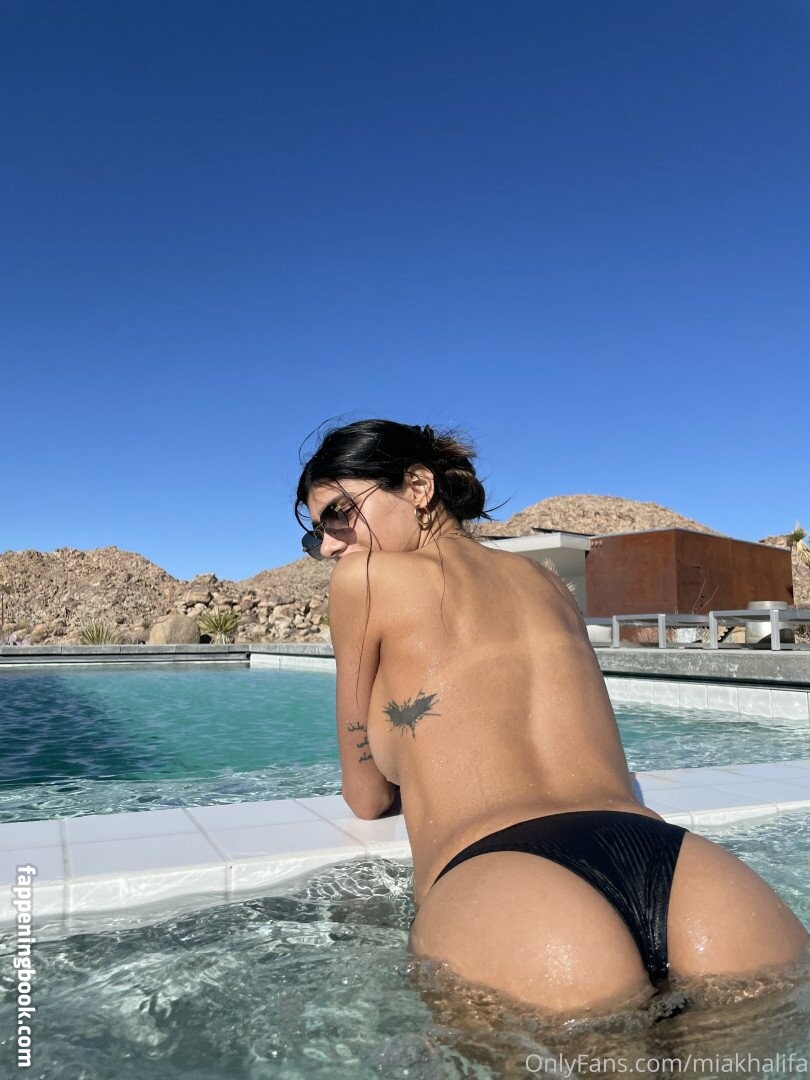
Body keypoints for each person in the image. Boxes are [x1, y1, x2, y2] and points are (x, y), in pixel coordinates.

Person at [295, 418, 809, 1016]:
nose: (329, 545)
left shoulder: (363, 575)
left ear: (417, 486)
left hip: (510, 880)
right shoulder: (545, 581)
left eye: (339, 514)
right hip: (684, 869)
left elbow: (365, 797)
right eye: (316, 534)